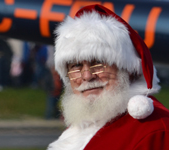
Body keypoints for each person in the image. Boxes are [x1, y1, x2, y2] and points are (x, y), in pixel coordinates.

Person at [47, 4, 169, 150]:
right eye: (76, 66)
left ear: (128, 70)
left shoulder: (154, 131)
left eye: (98, 63)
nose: (87, 76)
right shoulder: (80, 128)